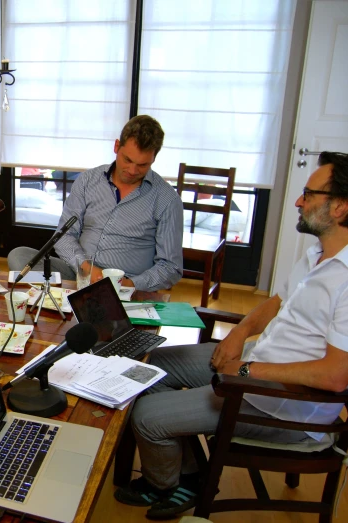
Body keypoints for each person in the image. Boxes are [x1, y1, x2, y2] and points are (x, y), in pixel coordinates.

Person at [114, 151, 348, 519]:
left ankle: (168, 483)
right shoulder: (318, 255)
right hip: (256, 369)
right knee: (148, 365)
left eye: (309, 193)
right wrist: (238, 334)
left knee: (145, 413)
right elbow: (276, 302)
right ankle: (189, 474)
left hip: (279, 405)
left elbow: (335, 376)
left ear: (340, 208)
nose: (299, 201)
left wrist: (247, 372)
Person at [8, 115, 183, 291]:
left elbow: (170, 267)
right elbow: (64, 237)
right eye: (127, 160)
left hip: (124, 285)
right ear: (116, 146)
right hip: (78, 274)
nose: (132, 170)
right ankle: (73, 297)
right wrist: (86, 268)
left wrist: (130, 284)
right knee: (19, 256)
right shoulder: (88, 181)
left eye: (142, 165)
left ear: (154, 159)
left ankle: (68, 299)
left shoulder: (166, 199)